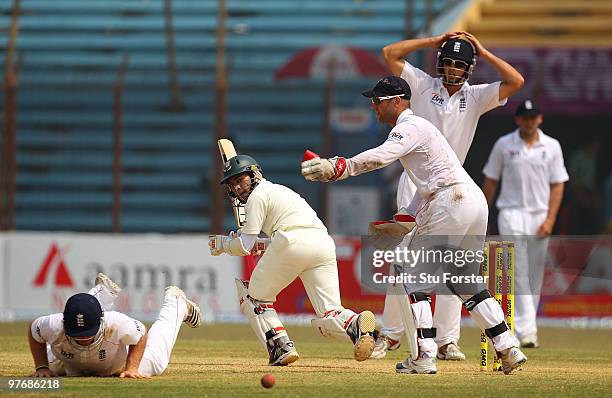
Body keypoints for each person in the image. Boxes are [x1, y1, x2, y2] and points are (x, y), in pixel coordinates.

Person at [301, 76, 527, 374]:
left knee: (412, 275)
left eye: (378, 101)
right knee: (465, 282)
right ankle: (508, 348)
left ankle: (424, 355)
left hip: (451, 200)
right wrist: (401, 222)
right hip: (470, 201)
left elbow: (381, 156)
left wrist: (338, 167)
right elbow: (426, 190)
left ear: (397, 101)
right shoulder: (420, 130)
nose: (373, 106)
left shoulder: (409, 126)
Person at [372, 31, 525, 360]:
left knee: (455, 263)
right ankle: (391, 333)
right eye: (448, 62)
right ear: (440, 63)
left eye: (460, 64)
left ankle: (445, 340)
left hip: (453, 187)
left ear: (469, 68)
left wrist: (482, 49)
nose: (453, 69)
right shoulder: (423, 84)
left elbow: (515, 81)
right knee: (405, 258)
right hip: (416, 181)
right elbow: (390, 52)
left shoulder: (477, 96)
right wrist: (433, 40)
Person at [208, 155, 376, 366]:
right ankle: (356, 324)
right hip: (322, 243)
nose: (238, 187)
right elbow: (279, 235)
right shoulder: (280, 190)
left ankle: (280, 346)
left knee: (254, 298)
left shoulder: (256, 198)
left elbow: (244, 245)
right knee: (330, 311)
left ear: (254, 175)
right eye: (233, 184)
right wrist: (256, 243)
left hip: (291, 242)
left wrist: (222, 244)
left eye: (241, 180)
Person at [482, 99, 569, 348]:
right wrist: (483, 215)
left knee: (534, 274)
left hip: (540, 214)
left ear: (539, 119)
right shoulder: (504, 145)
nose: (529, 122)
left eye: (533, 117)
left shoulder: (551, 146)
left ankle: (526, 328)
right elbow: (490, 181)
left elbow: (558, 185)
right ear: (517, 119)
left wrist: (551, 218)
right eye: (525, 117)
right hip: (510, 212)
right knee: (518, 272)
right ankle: (528, 331)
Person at [28, 273, 201, 378]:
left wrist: (132, 368)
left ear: (102, 322)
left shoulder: (115, 322)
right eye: (78, 335)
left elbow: (140, 334)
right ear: (65, 323)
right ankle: (103, 292)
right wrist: (41, 367)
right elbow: (34, 332)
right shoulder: (53, 324)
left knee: (157, 362)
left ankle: (176, 303)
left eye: (88, 334)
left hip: (117, 363)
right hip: (68, 361)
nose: (84, 340)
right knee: (51, 366)